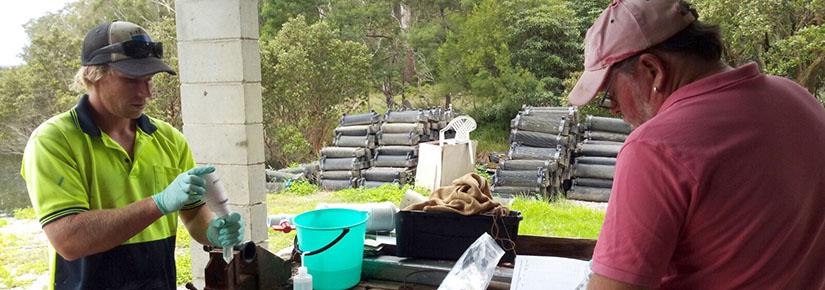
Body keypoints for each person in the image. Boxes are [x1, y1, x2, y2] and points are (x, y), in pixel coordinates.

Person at [567, 0, 825, 289]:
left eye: (610, 93)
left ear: (652, 70)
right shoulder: (800, 101)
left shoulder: (655, 147)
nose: (614, 108)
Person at [21, 21, 244, 289]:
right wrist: (159, 203)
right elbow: (69, 239)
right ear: (93, 75)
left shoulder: (169, 140)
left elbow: (194, 213)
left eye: (149, 79)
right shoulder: (54, 140)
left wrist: (211, 231)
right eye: (131, 80)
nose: (146, 93)